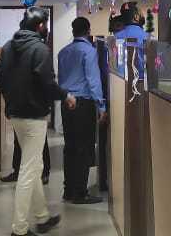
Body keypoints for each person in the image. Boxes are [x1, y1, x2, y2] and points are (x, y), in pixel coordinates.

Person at [0, 7, 74, 236]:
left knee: (35, 165)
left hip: (15, 116)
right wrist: (66, 96)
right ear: (40, 26)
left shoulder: (8, 47)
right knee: (28, 170)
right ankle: (19, 229)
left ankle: (42, 217)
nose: (47, 29)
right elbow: (47, 83)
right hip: (34, 118)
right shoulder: (40, 49)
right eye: (45, 25)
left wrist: (11, 101)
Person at [56, 17, 105, 203]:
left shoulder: (63, 52)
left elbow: (62, 79)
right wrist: (101, 106)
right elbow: (93, 81)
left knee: (69, 147)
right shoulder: (89, 51)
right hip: (83, 104)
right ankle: (80, 193)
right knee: (83, 148)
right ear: (88, 31)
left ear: (73, 31)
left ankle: (68, 190)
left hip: (66, 103)